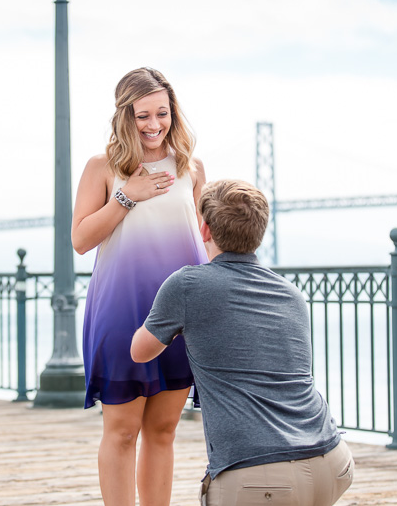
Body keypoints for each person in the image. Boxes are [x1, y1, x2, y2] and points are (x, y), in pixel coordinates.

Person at [131, 179, 354, 506]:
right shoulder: (291, 295)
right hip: (332, 460)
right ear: (259, 232)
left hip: (257, 476)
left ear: (204, 229)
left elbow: (140, 351)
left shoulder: (187, 285)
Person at [72, 67, 207, 506]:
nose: (153, 125)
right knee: (123, 431)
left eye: (162, 114)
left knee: (164, 430)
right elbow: (81, 240)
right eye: (142, 115)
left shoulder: (191, 167)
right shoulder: (103, 167)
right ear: (124, 116)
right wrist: (127, 196)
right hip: (122, 311)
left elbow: (207, 237)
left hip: (179, 317)